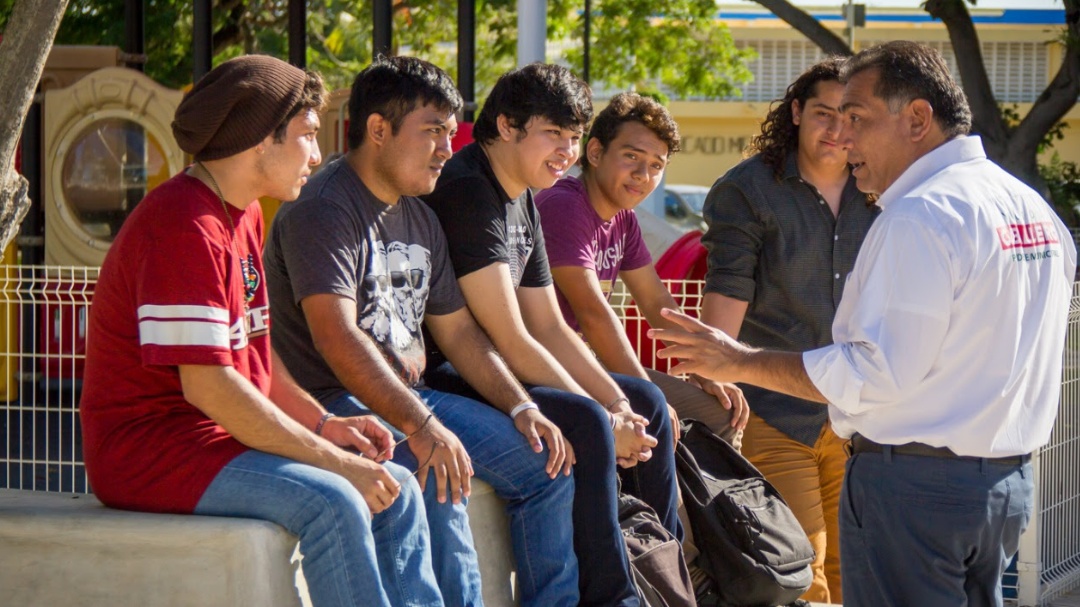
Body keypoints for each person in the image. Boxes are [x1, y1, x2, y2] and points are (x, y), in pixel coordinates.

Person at [654, 40, 1077, 607]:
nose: (844, 137)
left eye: (857, 117)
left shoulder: (921, 214)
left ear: (918, 118)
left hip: (915, 491)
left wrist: (738, 361)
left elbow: (876, 372)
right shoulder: (1029, 207)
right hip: (1003, 487)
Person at [80, 55, 444, 607]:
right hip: (150, 453)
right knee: (336, 499)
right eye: (307, 135)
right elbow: (210, 388)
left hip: (214, 440)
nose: (318, 155)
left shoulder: (244, 212)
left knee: (397, 487)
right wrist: (333, 461)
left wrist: (325, 424)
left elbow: (254, 357)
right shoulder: (184, 224)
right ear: (258, 140)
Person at [263, 56, 579, 607]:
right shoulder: (324, 207)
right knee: (438, 477)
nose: (447, 149)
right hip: (337, 403)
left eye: (450, 133)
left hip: (411, 398)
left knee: (545, 462)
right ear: (378, 130)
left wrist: (522, 406)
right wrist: (422, 426)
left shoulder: (420, 217)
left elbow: (459, 333)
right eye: (432, 132)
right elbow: (335, 337)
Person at [421, 63, 680, 607]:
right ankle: (614, 598)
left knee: (645, 399)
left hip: (501, 355)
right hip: (455, 367)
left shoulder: (525, 194)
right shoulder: (471, 190)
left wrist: (617, 402)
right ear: (509, 126)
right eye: (554, 134)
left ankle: (667, 566)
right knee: (585, 423)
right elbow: (511, 336)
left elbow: (551, 325)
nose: (566, 151)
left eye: (572, 137)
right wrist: (604, 418)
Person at [695, 56, 878, 603]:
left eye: (851, 117)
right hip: (775, 409)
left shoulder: (879, 190)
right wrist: (712, 372)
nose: (838, 130)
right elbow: (728, 286)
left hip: (858, 411)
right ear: (796, 112)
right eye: (824, 113)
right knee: (803, 573)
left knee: (858, 567)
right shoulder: (748, 190)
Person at [534, 91, 748, 449]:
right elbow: (593, 314)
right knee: (673, 418)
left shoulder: (623, 219)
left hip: (590, 364)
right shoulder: (565, 205)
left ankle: (708, 504)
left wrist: (703, 370)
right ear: (596, 152)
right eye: (631, 157)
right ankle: (671, 505)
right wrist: (647, 395)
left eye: (655, 165)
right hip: (548, 367)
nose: (642, 175)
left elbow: (656, 302)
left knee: (722, 409)